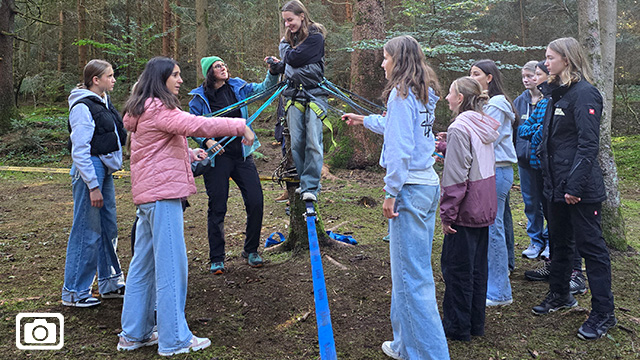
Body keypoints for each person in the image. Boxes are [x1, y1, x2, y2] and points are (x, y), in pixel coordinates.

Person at [118, 57, 254, 355]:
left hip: (149, 197)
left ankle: (133, 333)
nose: (180, 80)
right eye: (175, 75)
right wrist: (239, 125)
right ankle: (174, 338)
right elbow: (197, 123)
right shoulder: (158, 108)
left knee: (143, 266)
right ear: (161, 78)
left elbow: (158, 147)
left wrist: (187, 153)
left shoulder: (143, 109)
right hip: (163, 197)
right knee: (171, 268)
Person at [342, 35, 450, 360]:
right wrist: (364, 120)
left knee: (412, 278)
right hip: (427, 186)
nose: (382, 63)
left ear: (399, 60)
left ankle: (430, 354)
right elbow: (398, 128)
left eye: (386, 58)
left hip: (410, 190)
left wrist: (390, 192)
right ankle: (405, 344)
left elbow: (401, 149)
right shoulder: (421, 93)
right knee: (407, 272)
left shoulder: (401, 97)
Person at [532, 37, 616, 340]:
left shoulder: (585, 94)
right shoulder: (556, 93)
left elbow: (587, 144)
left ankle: (604, 313)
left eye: (550, 57)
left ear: (566, 60)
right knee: (559, 243)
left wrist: (575, 186)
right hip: (554, 185)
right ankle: (560, 294)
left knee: (592, 250)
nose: (545, 63)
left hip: (580, 189)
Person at [188, 55, 281, 274]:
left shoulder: (238, 86)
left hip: (241, 155)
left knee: (256, 200)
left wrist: (273, 72)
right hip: (217, 158)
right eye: (218, 66)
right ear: (209, 72)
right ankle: (217, 257)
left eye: (224, 65)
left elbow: (264, 90)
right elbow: (192, 125)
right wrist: (207, 141)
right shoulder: (199, 99)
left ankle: (251, 250)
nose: (223, 68)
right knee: (218, 206)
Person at [62, 59, 126, 308]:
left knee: (108, 226)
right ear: (95, 80)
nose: (113, 80)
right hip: (90, 169)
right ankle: (75, 291)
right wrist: (92, 185)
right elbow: (79, 149)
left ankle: (110, 281)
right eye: (109, 76)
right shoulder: (82, 106)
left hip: (105, 169)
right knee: (87, 229)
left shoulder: (104, 102)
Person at [520, 62, 588, 296]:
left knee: (569, 225)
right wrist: (541, 130)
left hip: (564, 173)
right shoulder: (541, 103)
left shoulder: (567, 98)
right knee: (552, 220)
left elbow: (562, 134)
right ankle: (555, 267)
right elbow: (524, 130)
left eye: (539, 73)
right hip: (542, 169)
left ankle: (576, 274)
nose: (536, 78)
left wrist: (542, 131)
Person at [440, 76, 500, 341]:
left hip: (464, 211)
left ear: (460, 98)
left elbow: (456, 177)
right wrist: (445, 145)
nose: (446, 98)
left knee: (457, 271)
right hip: (484, 207)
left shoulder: (460, 127)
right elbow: (474, 159)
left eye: (450, 93)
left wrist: (447, 214)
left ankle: (457, 329)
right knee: (477, 269)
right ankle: (476, 324)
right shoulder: (482, 124)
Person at [469, 59, 517, 306]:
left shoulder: (496, 103)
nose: (472, 77)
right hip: (496, 170)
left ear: (489, 78)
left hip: (496, 171)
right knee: (502, 220)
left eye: (476, 74)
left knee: (493, 227)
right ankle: (506, 269)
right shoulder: (487, 104)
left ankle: (499, 292)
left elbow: (488, 138)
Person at [280, 0, 327, 202]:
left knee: (313, 140)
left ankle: (311, 186)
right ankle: (304, 181)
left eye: (290, 19)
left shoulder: (316, 36)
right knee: (297, 141)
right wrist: (287, 64)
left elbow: (295, 62)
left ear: (301, 15)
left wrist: (290, 64)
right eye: (285, 21)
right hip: (293, 96)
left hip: (316, 94)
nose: (287, 24)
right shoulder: (287, 39)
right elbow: (292, 60)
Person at [513, 60, 550, 260]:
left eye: (530, 76)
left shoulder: (549, 100)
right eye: (524, 77)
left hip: (544, 162)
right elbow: (515, 130)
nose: (527, 80)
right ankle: (535, 240)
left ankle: (549, 239)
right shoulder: (519, 101)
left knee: (548, 203)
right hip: (524, 161)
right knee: (530, 203)